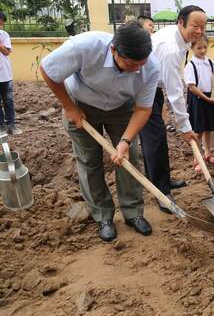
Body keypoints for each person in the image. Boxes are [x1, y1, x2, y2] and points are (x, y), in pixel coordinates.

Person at [40, 21, 160, 242]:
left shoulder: (150, 67)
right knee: (89, 161)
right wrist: (69, 107)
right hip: (81, 105)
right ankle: (103, 215)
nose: (137, 69)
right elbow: (48, 69)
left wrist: (125, 141)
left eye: (140, 64)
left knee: (128, 158)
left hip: (122, 107)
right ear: (113, 49)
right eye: (131, 64)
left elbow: (143, 108)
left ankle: (133, 213)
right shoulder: (85, 47)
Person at [139, 5, 205, 213]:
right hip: (141, 88)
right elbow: (175, 92)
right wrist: (185, 128)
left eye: (203, 26)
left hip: (153, 85)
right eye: (195, 26)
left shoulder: (181, 39)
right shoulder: (170, 48)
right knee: (155, 138)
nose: (199, 31)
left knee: (156, 137)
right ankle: (161, 192)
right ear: (181, 23)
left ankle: (162, 180)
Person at [184, 36, 214, 170]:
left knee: (208, 128)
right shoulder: (191, 65)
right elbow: (192, 87)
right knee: (199, 129)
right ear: (192, 48)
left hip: (211, 96)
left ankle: (207, 153)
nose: (202, 51)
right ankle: (197, 158)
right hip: (198, 99)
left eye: (205, 47)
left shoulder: (210, 62)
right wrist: (207, 99)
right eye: (199, 48)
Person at [0, 11, 22, 135]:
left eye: (1, 24)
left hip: (5, 74)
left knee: (8, 100)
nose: (1, 25)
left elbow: (6, 52)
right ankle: (1, 126)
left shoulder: (4, 35)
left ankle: (11, 125)